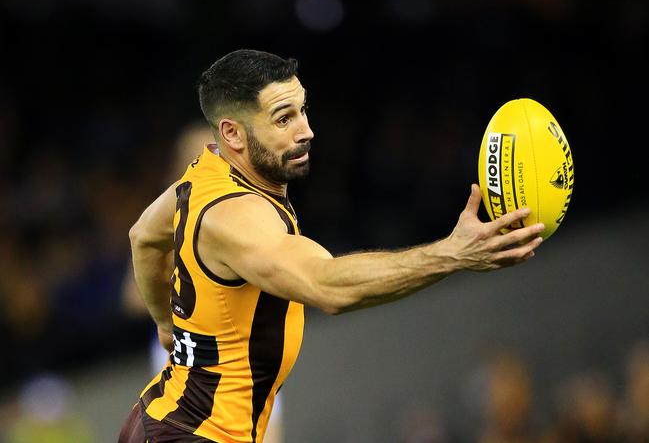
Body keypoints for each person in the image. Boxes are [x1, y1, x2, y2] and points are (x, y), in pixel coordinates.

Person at [118, 49, 545, 443]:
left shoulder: (203, 175)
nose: (307, 131)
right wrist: (453, 253)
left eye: (303, 109)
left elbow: (144, 237)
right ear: (233, 133)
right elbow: (327, 286)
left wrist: (164, 321)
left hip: (162, 421)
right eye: (284, 119)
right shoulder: (236, 218)